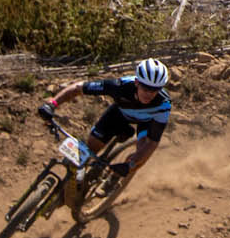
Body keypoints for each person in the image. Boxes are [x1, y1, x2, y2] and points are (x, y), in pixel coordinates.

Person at [38, 57, 172, 219]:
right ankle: (74, 184)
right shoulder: (119, 86)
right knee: (87, 150)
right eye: (146, 87)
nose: (150, 93)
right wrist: (52, 104)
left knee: (138, 156)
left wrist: (129, 165)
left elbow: (152, 143)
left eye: (155, 89)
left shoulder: (163, 105)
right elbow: (79, 88)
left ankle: (113, 178)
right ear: (137, 82)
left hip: (146, 122)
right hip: (119, 115)